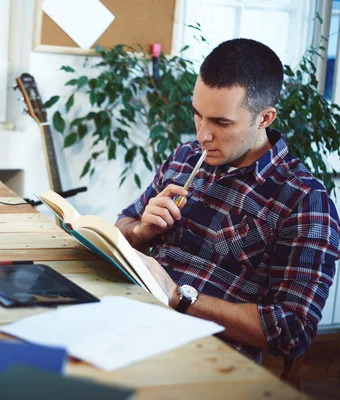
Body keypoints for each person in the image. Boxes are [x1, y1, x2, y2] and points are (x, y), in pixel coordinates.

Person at [116, 38, 340, 364]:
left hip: (205, 354)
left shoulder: (304, 201)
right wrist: (141, 232)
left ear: (264, 118)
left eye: (221, 123)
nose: (202, 136)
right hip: (132, 318)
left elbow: (293, 331)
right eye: (198, 115)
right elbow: (122, 227)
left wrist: (178, 296)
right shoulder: (184, 158)